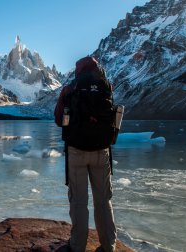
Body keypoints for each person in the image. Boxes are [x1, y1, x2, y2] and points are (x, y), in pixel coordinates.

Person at [54, 56, 117, 252]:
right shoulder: (106, 86)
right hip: (102, 151)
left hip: (77, 151)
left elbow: (59, 119)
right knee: (103, 200)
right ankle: (108, 246)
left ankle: (77, 246)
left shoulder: (71, 88)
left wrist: (63, 98)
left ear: (79, 70)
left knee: (79, 202)